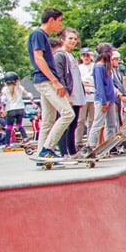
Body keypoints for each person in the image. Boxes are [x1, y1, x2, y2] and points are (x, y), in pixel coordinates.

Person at [27, 8, 74, 159]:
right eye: (59, 20)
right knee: (68, 113)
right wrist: (55, 81)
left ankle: (42, 155)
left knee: (48, 120)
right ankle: (48, 149)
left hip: (45, 80)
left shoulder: (42, 36)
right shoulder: (38, 34)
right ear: (51, 20)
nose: (60, 24)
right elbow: (38, 58)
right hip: (46, 80)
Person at [54, 27, 85, 156]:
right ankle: (63, 151)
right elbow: (60, 76)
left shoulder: (71, 55)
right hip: (67, 94)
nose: (73, 41)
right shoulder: (60, 55)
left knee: (73, 124)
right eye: (70, 38)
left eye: (75, 39)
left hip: (77, 94)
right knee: (65, 124)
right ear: (62, 39)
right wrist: (66, 94)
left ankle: (72, 151)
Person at [86, 43, 119, 154]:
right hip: (102, 100)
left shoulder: (106, 66)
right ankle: (91, 145)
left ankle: (110, 145)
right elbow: (99, 86)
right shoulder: (99, 67)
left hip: (110, 98)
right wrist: (103, 102)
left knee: (111, 124)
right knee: (98, 123)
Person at [0, 71, 30, 145]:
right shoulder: (20, 87)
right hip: (20, 109)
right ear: (16, 80)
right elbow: (28, 95)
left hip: (10, 110)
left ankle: (7, 144)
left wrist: (2, 109)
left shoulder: (5, 89)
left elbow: (3, 99)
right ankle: (25, 139)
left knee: (9, 127)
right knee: (19, 125)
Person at [76, 48, 95, 147]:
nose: (86, 57)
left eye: (88, 55)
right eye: (84, 55)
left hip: (93, 95)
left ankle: (90, 141)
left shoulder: (94, 66)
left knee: (92, 120)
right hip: (83, 97)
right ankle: (78, 142)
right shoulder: (79, 67)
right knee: (80, 120)